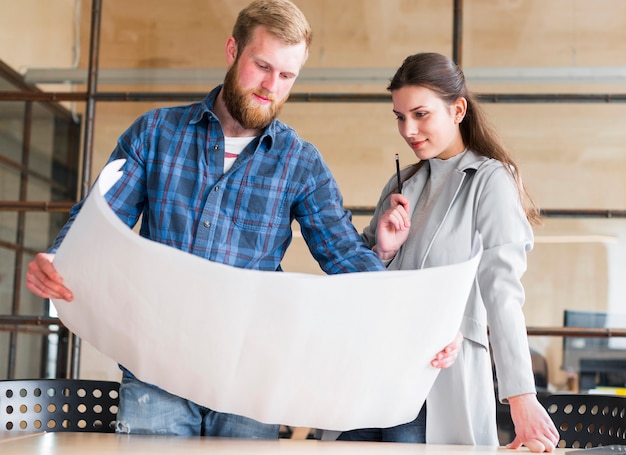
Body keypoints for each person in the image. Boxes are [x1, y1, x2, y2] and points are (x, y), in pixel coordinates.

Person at [25, 2, 461, 439]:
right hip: (156, 363)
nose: (272, 86)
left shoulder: (300, 163)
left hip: (250, 374)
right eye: (262, 66)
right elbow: (101, 213)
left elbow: (344, 255)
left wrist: (418, 327)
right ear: (233, 50)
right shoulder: (155, 133)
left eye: (287, 76)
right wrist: (60, 256)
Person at [334, 52, 560, 452]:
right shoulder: (401, 183)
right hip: (372, 377)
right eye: (400, 116)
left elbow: (502, 293)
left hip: (435, 382)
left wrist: (522, 396)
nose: (408, 129)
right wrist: (383, 251)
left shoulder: (489, 182)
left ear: (458, 110)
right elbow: (361, 280)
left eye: (421, 114)